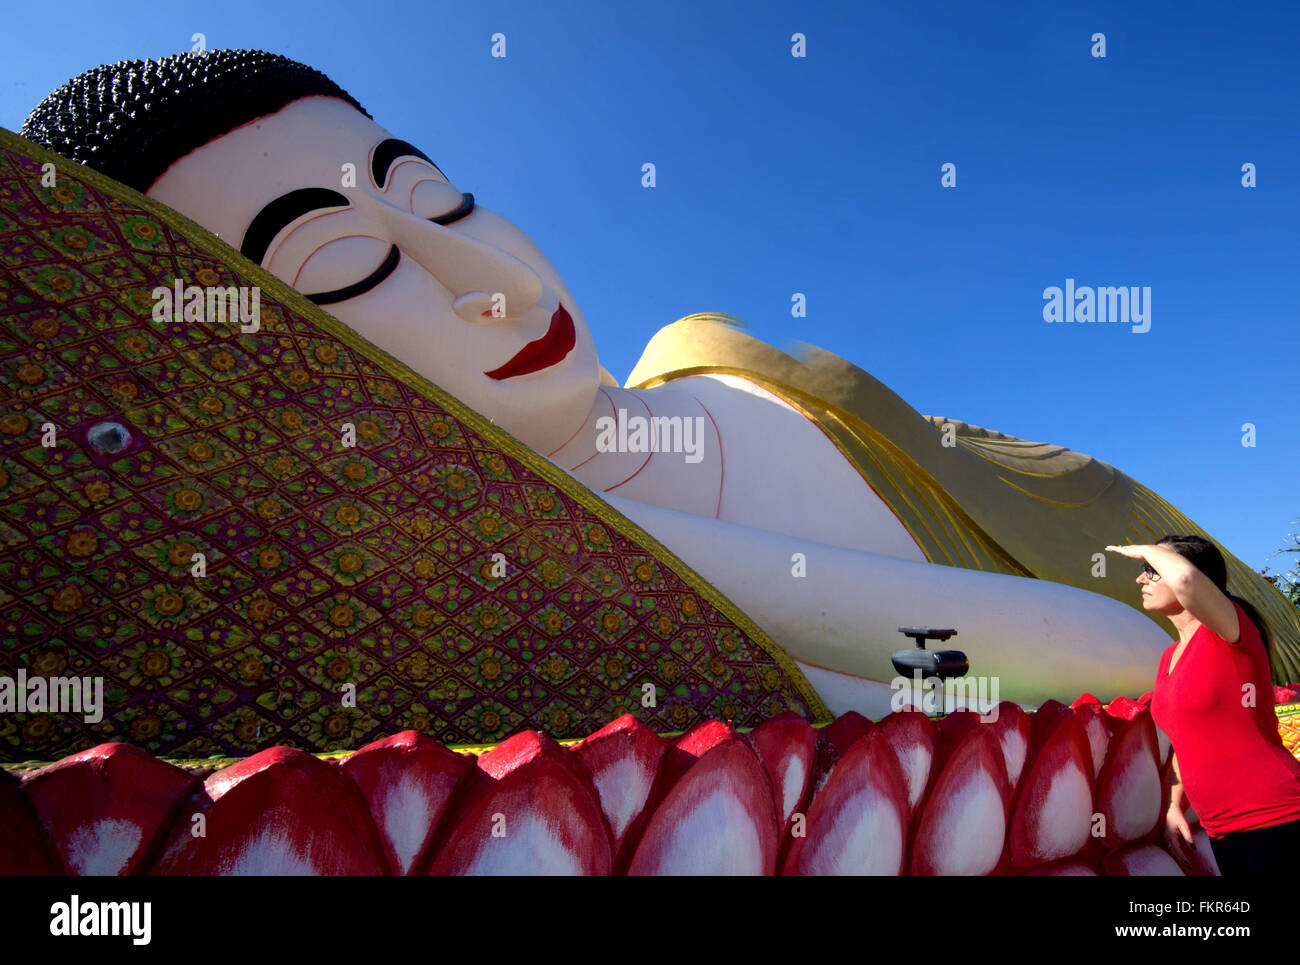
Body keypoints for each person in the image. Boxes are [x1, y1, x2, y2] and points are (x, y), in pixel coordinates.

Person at [19, 50, 1297, 715]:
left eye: (440, 194)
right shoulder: (534, 608)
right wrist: (566, 533)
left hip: (1076, 514)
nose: (494, 277)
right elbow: (1109, 659)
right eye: (348, 264)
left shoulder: (702, 355)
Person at [1107, 536, 1300, 875]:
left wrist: (1144, 550)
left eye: (1151, 571)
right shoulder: (1169, 657)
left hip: (1278, 817)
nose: (1141, 579)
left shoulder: (1229, 632)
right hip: (1223, 830)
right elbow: (1187, 739)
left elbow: (1184, 579)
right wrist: (1173, 805)